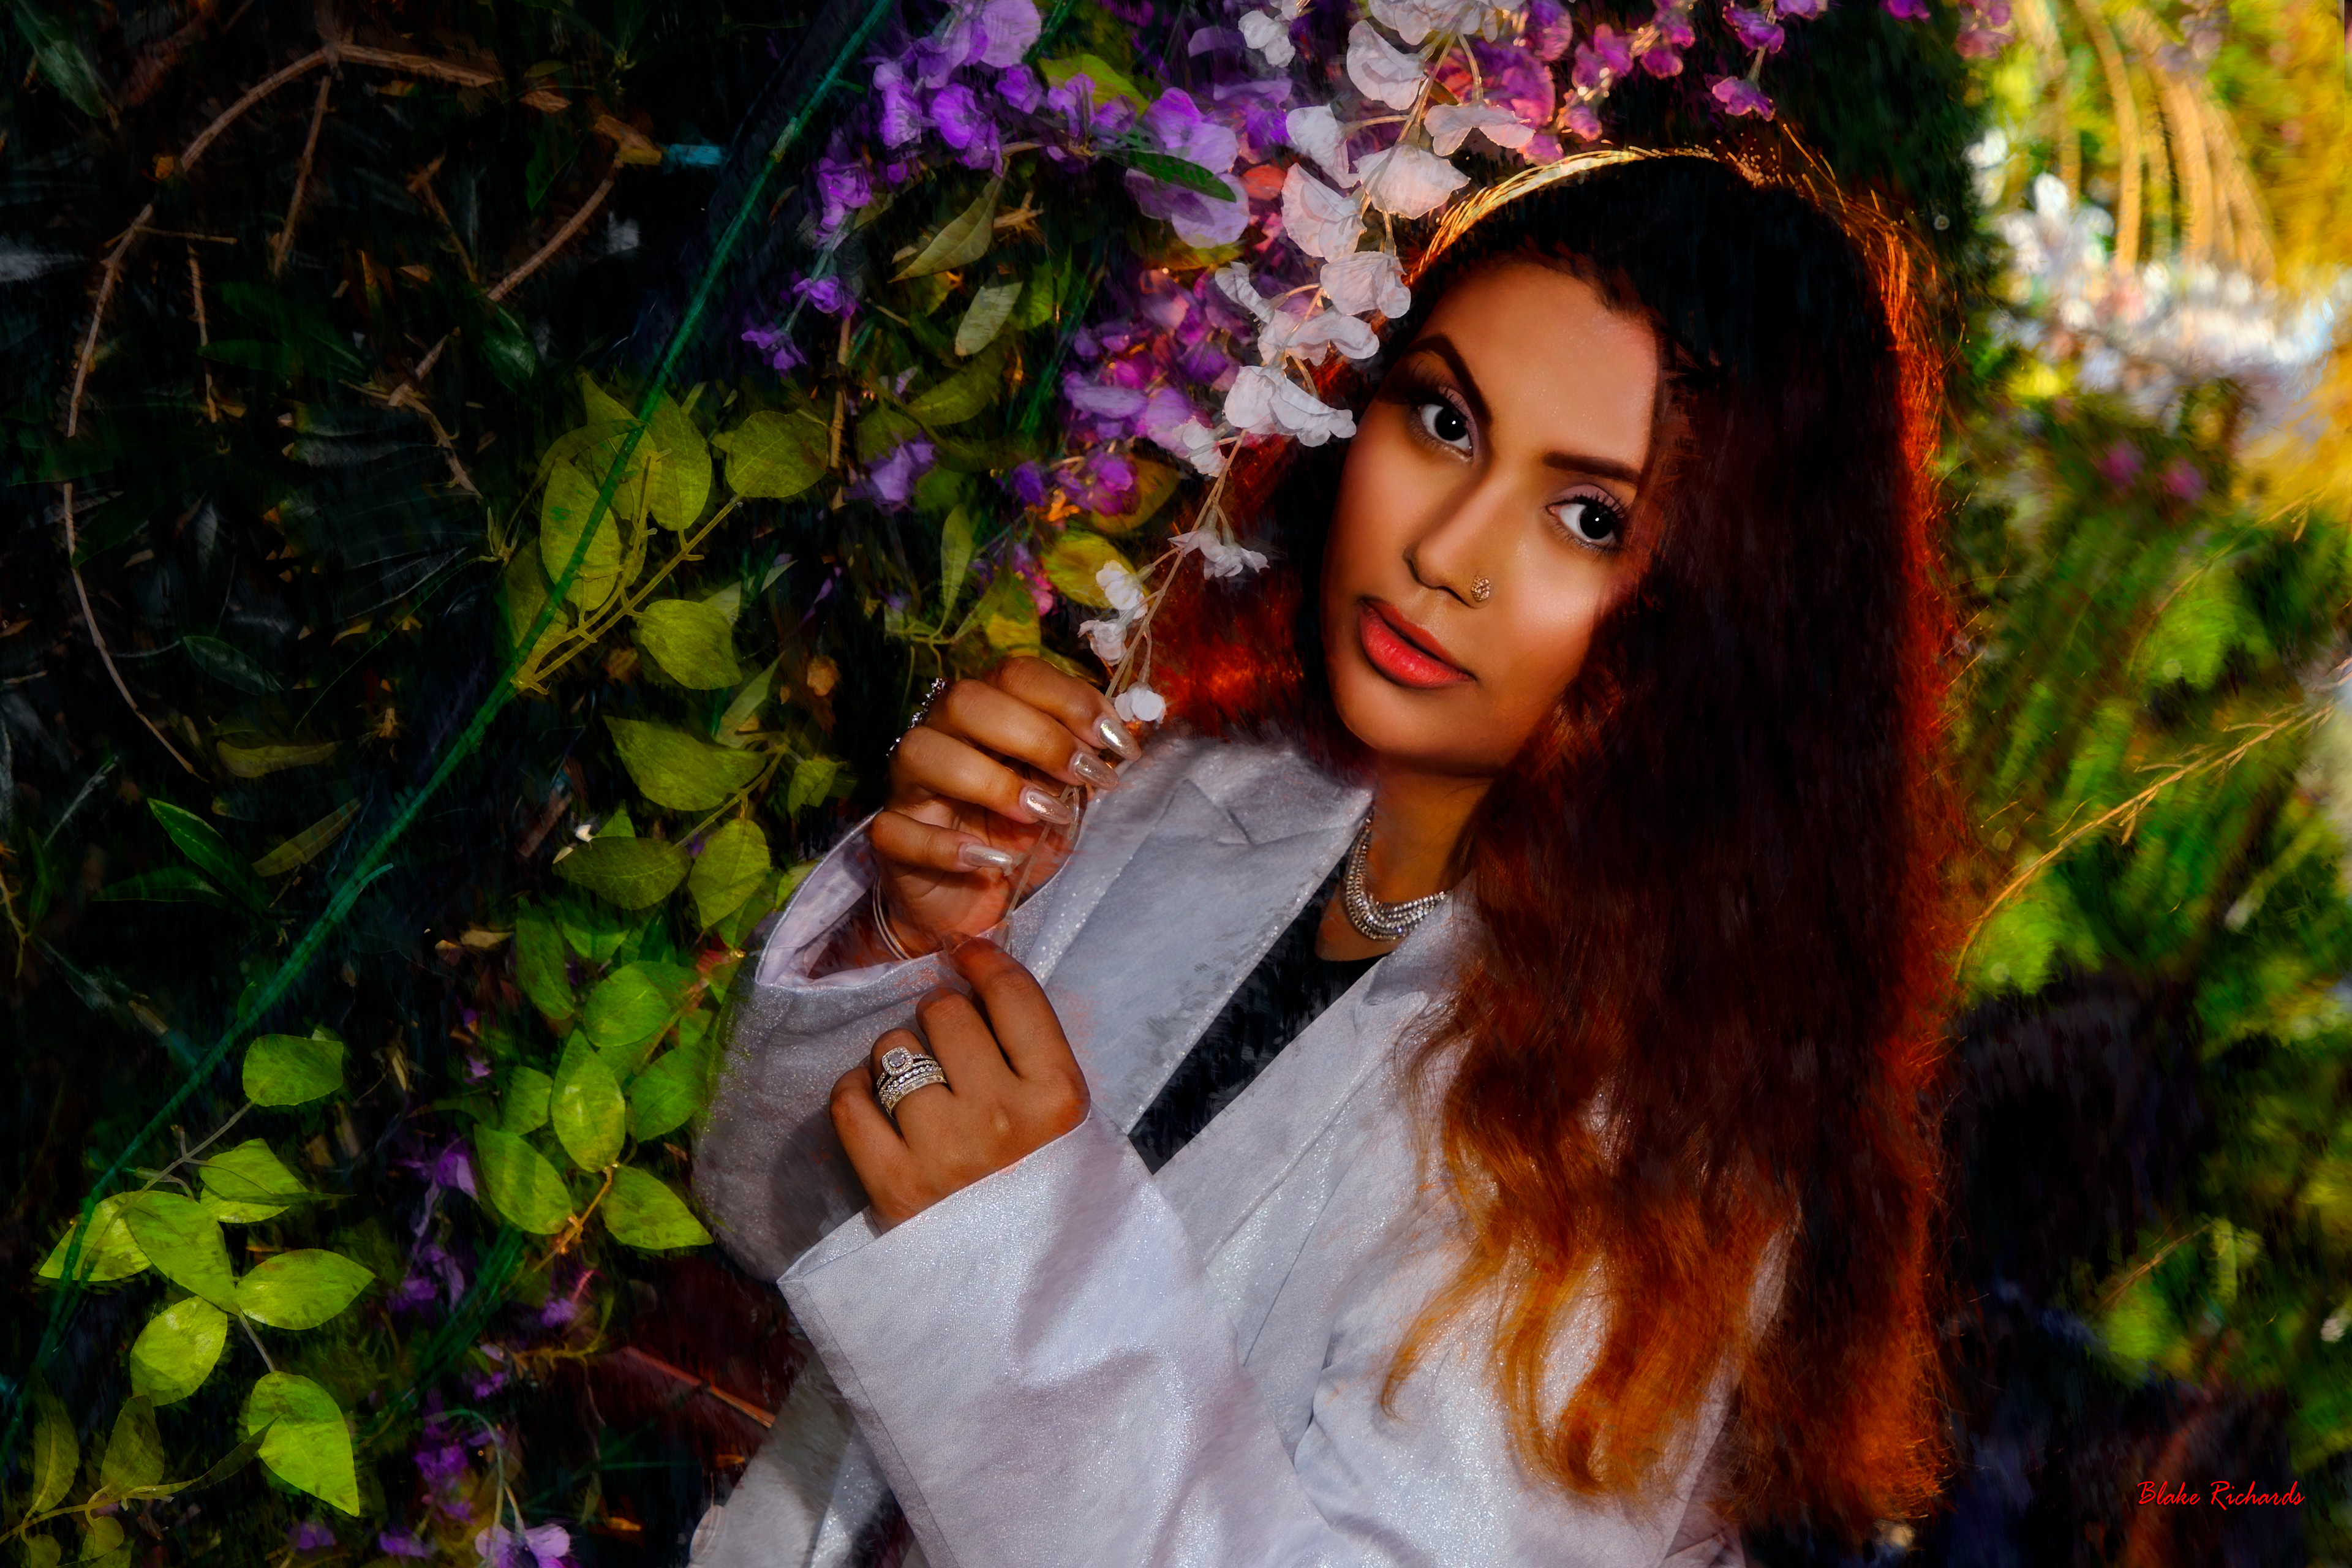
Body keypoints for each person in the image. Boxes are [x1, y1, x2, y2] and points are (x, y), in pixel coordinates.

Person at [689, 149, 1959, 1568]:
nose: (1448, 550)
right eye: (1446, 420)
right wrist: (907, 940)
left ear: (1724, 620)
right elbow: (769, 1217)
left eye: (1589, 515)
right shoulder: (1184, 786)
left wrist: (1012, 1255)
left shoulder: (1644, 1151)